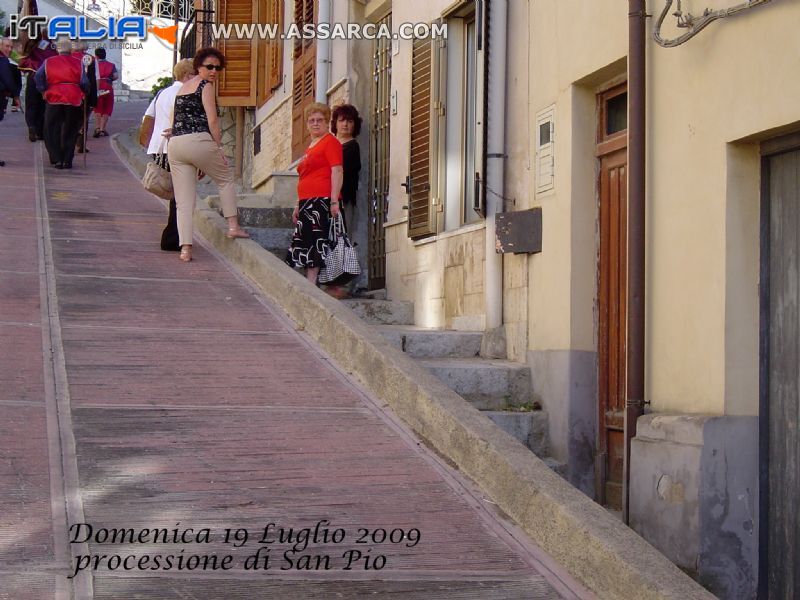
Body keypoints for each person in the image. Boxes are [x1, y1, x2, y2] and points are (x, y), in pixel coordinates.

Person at [166, 47, 249, 263]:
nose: (214, 71)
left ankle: (185, 249)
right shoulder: (206, 86)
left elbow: (174, 118)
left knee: (183, 201)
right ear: (198, 67)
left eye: (217, 68)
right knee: (225, 179)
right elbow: (212, 120)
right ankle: (233, 226)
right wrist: (219, 148)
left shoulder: (182, 88)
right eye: (209, 67)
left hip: (175, 144)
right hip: (198, 140)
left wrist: (173, 132)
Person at [139, 58, 195, 252]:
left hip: (159, 147)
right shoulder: (186, 93)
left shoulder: (163, 92)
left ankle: (175, 236)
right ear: (188, 76)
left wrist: (146, 141)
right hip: (176, 146)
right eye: (195, 75)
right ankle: (173, 237)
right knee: (181, 195)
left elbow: (149, 117)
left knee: (176, 193)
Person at [285, 102, 343, 286]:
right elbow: (304, 176)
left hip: (321, 199)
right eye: (311, 121)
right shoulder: (312, 145)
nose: (315, 123)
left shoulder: (330, 142)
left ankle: (312, 280)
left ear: (327, 123)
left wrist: (334, 201)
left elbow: (337, 170)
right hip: (307, 201)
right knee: (307, 240)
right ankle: (312, 279)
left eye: (320, 120)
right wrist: (298, 204)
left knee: (317, 240)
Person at [34, 38, 88, 169]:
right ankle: (67, 159)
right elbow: (84, 82)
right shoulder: (78, 63)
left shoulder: (48, 62)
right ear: (70, 50)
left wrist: (43, 90)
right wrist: (84, 93)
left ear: (58, 49)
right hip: (73, 98)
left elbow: (38, 76)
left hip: (54, 97)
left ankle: (56, 158)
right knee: (71, 129)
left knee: (51, 129)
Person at [19, 32, 57, 142]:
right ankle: (41, 132)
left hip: (33, 77)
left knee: (31, 105)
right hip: (46, 79)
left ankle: (31, 126)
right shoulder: (51, 47)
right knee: (43, 106)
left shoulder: (32, 45)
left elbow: (23, 61)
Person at [71, 40, 96, 154]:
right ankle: (81, 144)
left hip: (70, 93)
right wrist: (93, 98)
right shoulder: (89, 58)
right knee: (83, 119)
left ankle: (70, 141)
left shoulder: (67, 57)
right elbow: (92, 79)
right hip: (84, 93)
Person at [92, 47, 117, 137]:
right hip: (108, 86)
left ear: (96, 56)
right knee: (107, 107)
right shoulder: (111, 65)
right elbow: (115, 76)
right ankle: (103, 129)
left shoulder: (94, 65)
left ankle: (97, 128)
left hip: (97, 86)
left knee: (98, 108)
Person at [0, 37, 22, 122]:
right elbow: (7, 79)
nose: (9, 49)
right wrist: (15, 95)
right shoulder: (3, 60)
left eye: (11, 47)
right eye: (7, 46)